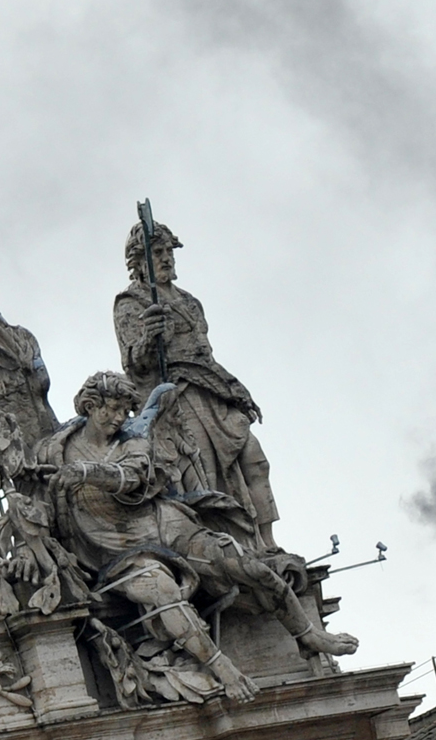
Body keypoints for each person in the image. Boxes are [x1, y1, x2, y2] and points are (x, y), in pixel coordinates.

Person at [36, 372, 356, 704]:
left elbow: (133, 477)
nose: (119, 418)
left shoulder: (133, 441)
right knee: (163, 591)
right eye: (113, 409)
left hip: (165, 525)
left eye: (125, 411)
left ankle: (308, 635)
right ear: (90, 406)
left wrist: (86, 472)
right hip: (115, 550)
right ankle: (225, 670)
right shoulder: (53, 449)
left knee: (247, 565)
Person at [113, 222, 279, 550]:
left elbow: (207, 355)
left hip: (211, 392)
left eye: (168, 252)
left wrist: (236, 389)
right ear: (139, 261)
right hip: (177, 397)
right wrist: (149, 337)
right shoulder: (131, 302)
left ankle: (268, 541)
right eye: (157, 252)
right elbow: (133, 363)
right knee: (207, 475)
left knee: (254, 459)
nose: (166, 259)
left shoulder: (190, 303)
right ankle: (230, 545)